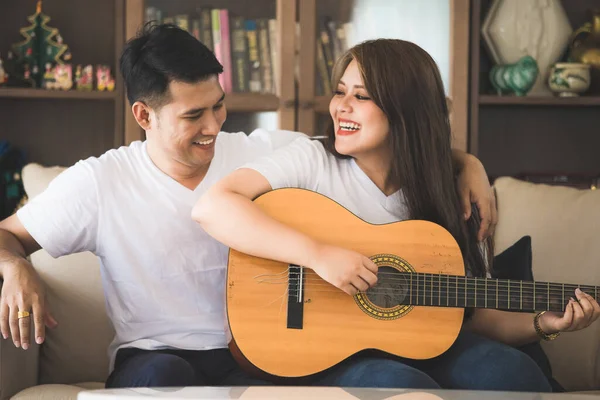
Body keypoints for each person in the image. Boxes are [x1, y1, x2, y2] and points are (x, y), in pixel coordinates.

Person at [0, 24, 496, 389]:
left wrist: (465, 162)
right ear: (143, 115)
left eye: (219, 106)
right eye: (194, 115)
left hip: (260, 352)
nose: (214, 127)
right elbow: (7, 235)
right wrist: (15, 266)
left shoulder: (259, 150)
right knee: (162, 377)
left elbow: (369, 137)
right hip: (155, 353)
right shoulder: (98, 181)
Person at [193, 38, 600, 392]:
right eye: (340, 92)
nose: (340, 107)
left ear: (407, 111)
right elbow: (213, 206)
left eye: (361, 96)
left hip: (426, 343)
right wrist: (317, 255)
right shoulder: (312, 160)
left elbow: (469, 316)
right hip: (326, 349)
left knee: (515, 376)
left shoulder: (448, 189)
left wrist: (544, 325)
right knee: (401, 387)